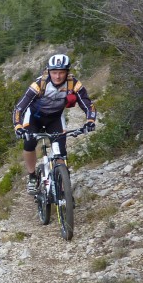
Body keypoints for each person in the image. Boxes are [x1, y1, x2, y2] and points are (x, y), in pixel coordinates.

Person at [12, 53, 97, 194]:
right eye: (54, 72)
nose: (58, 76)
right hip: (34, 117)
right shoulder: (39, 84)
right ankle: (32, 176)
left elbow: (88, 105)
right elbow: (19, 108)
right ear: (48, 71)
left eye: (61, 72)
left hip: (55, 118)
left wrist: (90, 121)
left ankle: (63, 187)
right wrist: (18, 126)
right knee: (29, 143)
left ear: (67, 72)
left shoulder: (74, 84)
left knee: (61, 152)